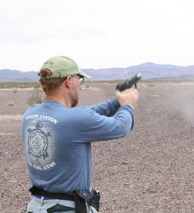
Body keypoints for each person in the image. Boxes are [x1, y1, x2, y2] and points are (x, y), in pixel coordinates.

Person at [22, 56, 139, 213]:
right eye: (79, 81)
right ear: (69, 81)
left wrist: (117, 101)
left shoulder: (31, 113)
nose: (80, 87)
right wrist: (128, 105)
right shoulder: (75, 119)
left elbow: (86, 114)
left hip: (37, 206)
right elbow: (121, 126)